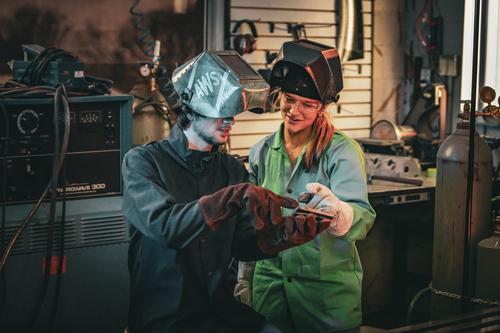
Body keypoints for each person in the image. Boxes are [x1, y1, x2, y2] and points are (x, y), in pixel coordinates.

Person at [121, 50, 330, 333]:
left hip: (220, 312)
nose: (231, 121)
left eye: (233, 113)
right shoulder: (143, 162)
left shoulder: (231, 169)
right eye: (222, 112)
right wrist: (228, 199)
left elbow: (241, 246)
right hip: (166, 319)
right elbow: (164, 226)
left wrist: (283, 235)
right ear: (192, 109)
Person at [235, 40, 376, 332]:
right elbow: (250, 223)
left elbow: (363, 216)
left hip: (324, 297)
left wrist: (341, 213)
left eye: (307, 105)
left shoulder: (342, 152)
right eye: (289, 99)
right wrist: (245, 278)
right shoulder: (261, 151)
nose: (294, 111)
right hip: (270, 290)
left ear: (322, 107)